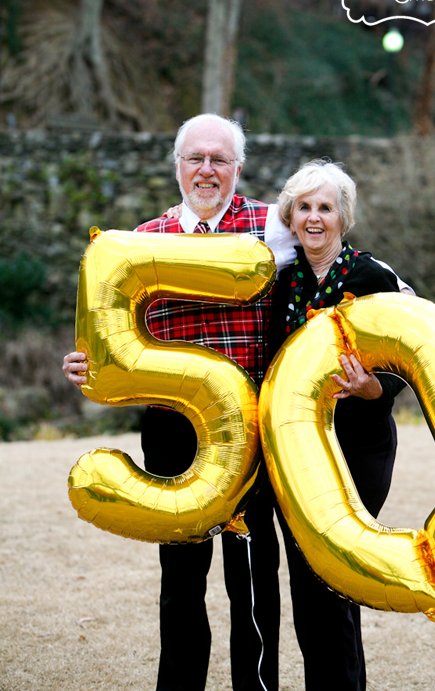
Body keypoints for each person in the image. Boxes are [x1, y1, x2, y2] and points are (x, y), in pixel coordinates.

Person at [63, 113, 297, 691]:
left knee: (252, 578)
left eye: (220, 159)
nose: (207, 170)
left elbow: (337, 269)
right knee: (182, 580)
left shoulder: (273, 227)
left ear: (238, 167)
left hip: (252, 430)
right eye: (196, 158)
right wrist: (85, 363)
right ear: (177, 166)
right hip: (173, 430)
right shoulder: (139, 243)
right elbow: (111, 338)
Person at [268, 159, 408, 691]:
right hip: (298, 454)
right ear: (290, 216)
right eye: (303, 207)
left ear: (343, 218)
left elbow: (412, 358)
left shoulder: (372, 277)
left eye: (325, 207)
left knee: (335, 582)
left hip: (359, 451)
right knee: (306, 587)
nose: (313, 218)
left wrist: (374, 389)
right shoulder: (282, 283)